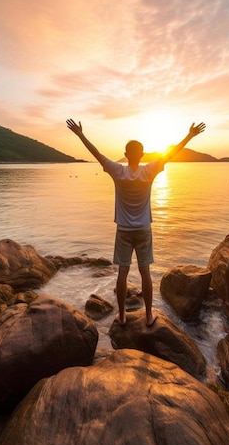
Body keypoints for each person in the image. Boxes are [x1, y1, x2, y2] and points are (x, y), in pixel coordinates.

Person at [66, 118, 206, 326]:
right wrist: (189, 136)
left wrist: (80, 134)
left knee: (122, 273)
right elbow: (172, 152)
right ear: (141, 155)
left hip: (123, 230)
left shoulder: (118, 171)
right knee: (145, 273)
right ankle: (149, 315)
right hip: (143, 229)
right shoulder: (148, 170)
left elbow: (96, 154)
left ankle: (122, 316)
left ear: (125, 155)